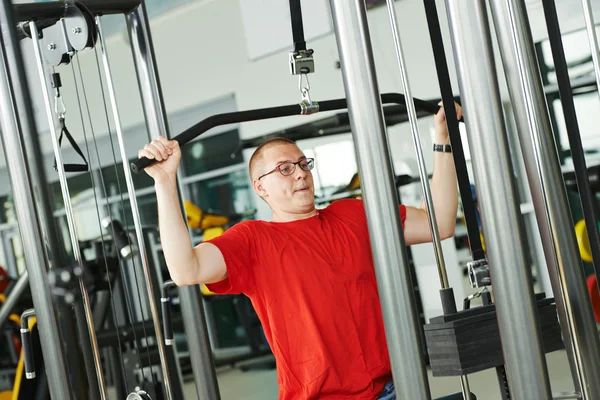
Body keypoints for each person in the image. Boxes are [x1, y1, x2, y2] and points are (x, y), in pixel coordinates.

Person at [138, 102, 462, 400]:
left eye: (303, 163)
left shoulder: (353, 214)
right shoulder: (253, 241)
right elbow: (185, 270)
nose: (300, 173)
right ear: (260, 187)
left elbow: (440, 223)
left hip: (392, 389)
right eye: (284, 169)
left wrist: (444, 140)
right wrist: (165, 183)